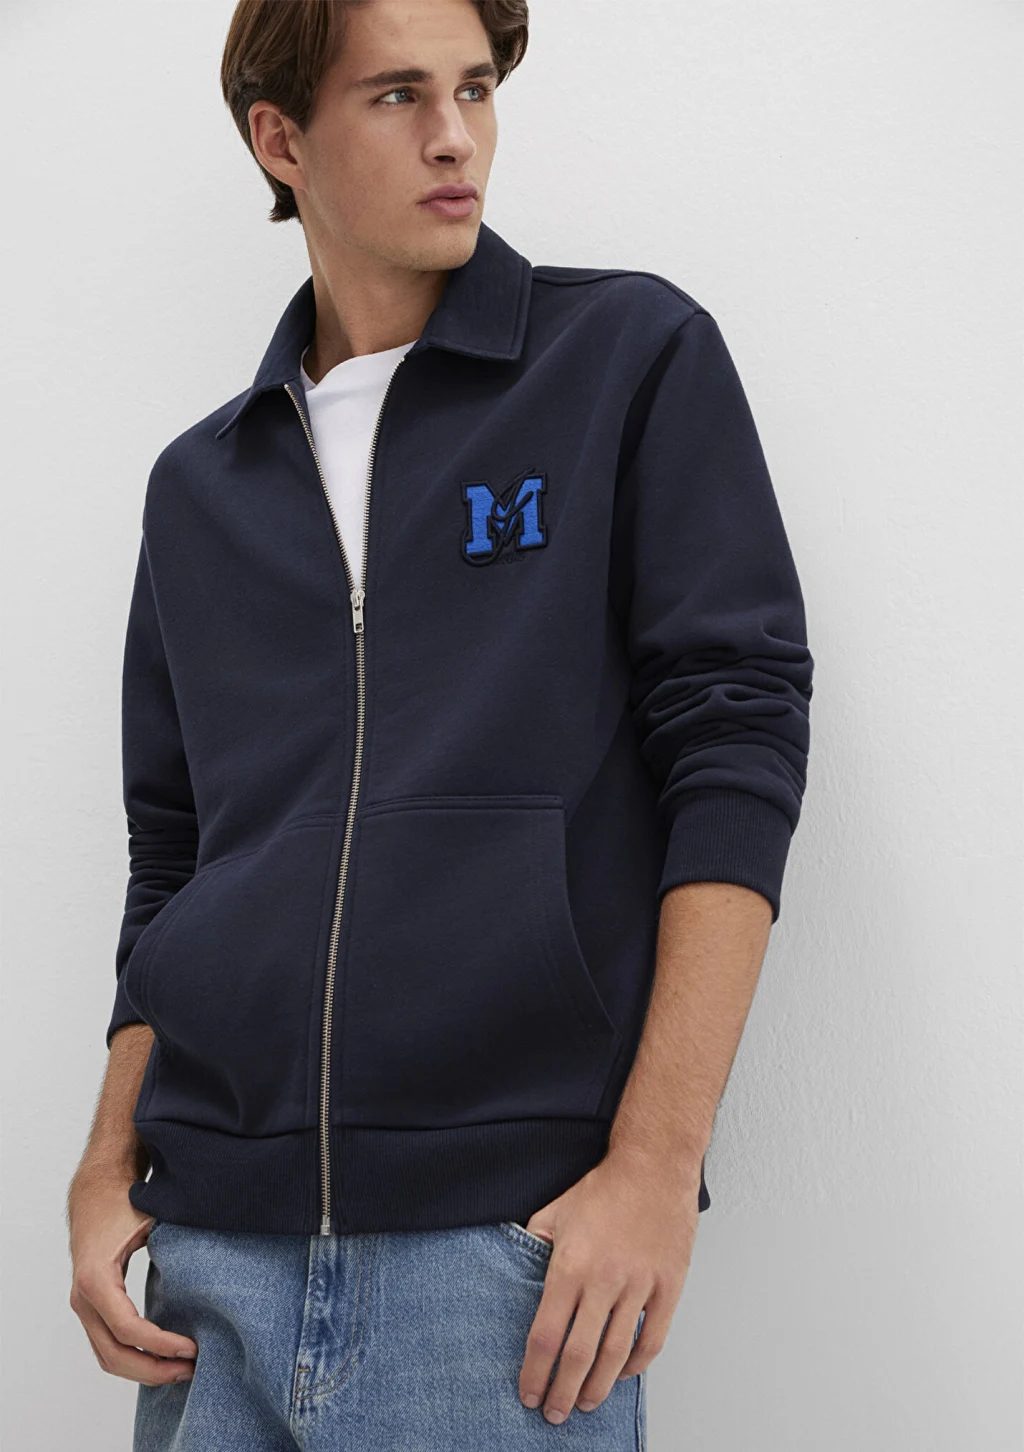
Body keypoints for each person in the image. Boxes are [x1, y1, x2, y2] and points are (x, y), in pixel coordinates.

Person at [66, 1, 814, 1447]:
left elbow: (736, 747)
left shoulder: (623, 361)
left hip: (501, 1270)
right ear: (280, 139)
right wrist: (108, 1164)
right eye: (398, 95)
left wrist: (658, 1165)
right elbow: (176, 857)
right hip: (207, 1268)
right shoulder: (200, 488)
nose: (456, 136)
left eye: (475, 88)